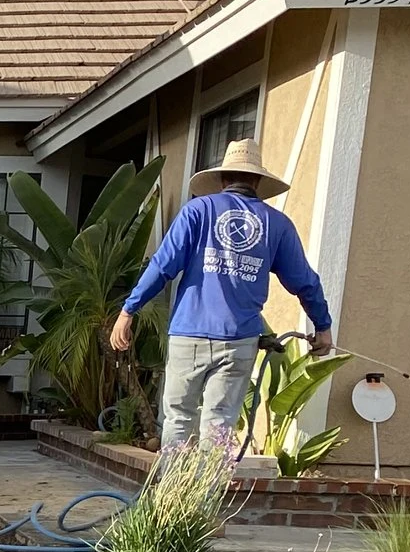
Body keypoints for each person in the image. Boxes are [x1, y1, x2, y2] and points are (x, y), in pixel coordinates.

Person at [108, 136, 333, 451]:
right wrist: (322, 326)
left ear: (224, 178)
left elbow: (162, 266)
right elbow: (305, 281)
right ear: (257, 180)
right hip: (239, 339)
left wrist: (128, 311)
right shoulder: (277, 224)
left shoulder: (198, 210)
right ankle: (208, 497)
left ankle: (174, 496)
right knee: (220, 423)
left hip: (190, 333)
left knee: (178, 419)